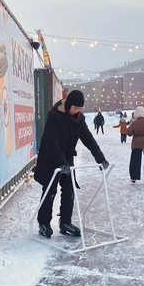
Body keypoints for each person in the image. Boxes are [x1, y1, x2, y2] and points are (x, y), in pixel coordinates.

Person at [34, 90, 109, 238]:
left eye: (79, 109)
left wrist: (100, 158)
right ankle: (44, 223)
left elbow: (88, 139)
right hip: (50, 158)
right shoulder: (54, 116)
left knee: (69, 190)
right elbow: (51, 141)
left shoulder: (79, 119)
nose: (76, 111)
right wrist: (61, 162)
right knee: (50, 191)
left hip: (66, 159)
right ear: (68, 104)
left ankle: (65, 222)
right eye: (74, 108)